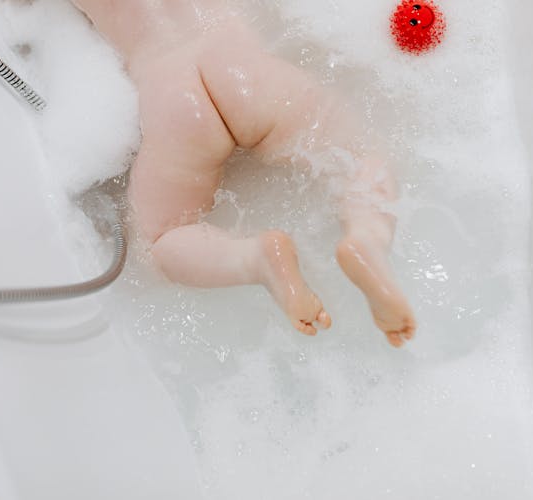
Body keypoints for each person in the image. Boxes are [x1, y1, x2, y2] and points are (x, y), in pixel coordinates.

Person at [73, 0, 416, 347]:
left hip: (171, 101)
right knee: (360, 155)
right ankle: (367, 237)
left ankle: (255, 260)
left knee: (161, 239)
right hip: (240, 69)